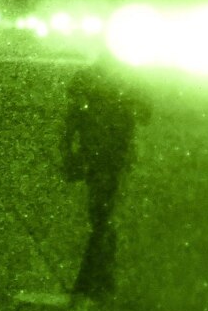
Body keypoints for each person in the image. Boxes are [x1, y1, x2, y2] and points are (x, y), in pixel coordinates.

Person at [60, 52, 150, 297]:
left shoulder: (91, 78)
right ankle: (100, 278)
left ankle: (93, 278)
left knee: (101, 217)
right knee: (103, 217)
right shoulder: (123, 78)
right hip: (108, 157)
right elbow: (145, 114)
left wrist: (68, 151)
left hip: (106, 157)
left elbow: (71, 120)